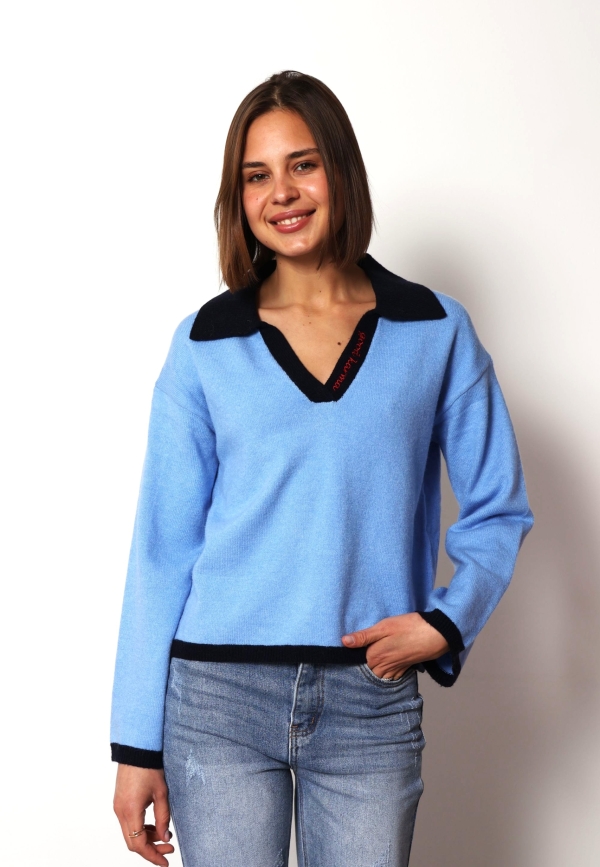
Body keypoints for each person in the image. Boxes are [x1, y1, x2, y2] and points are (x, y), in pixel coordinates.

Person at [110, 70, 533, 867]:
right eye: (256, 175)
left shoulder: (434, 330)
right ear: (238, 197)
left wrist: (446, 624)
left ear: (340, 169)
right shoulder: (205, 344)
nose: (282, 192)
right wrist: (136, 745)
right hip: (216, 700)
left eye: (302, 164)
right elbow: (161, 549)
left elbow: (499, 508)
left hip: (370, 698)